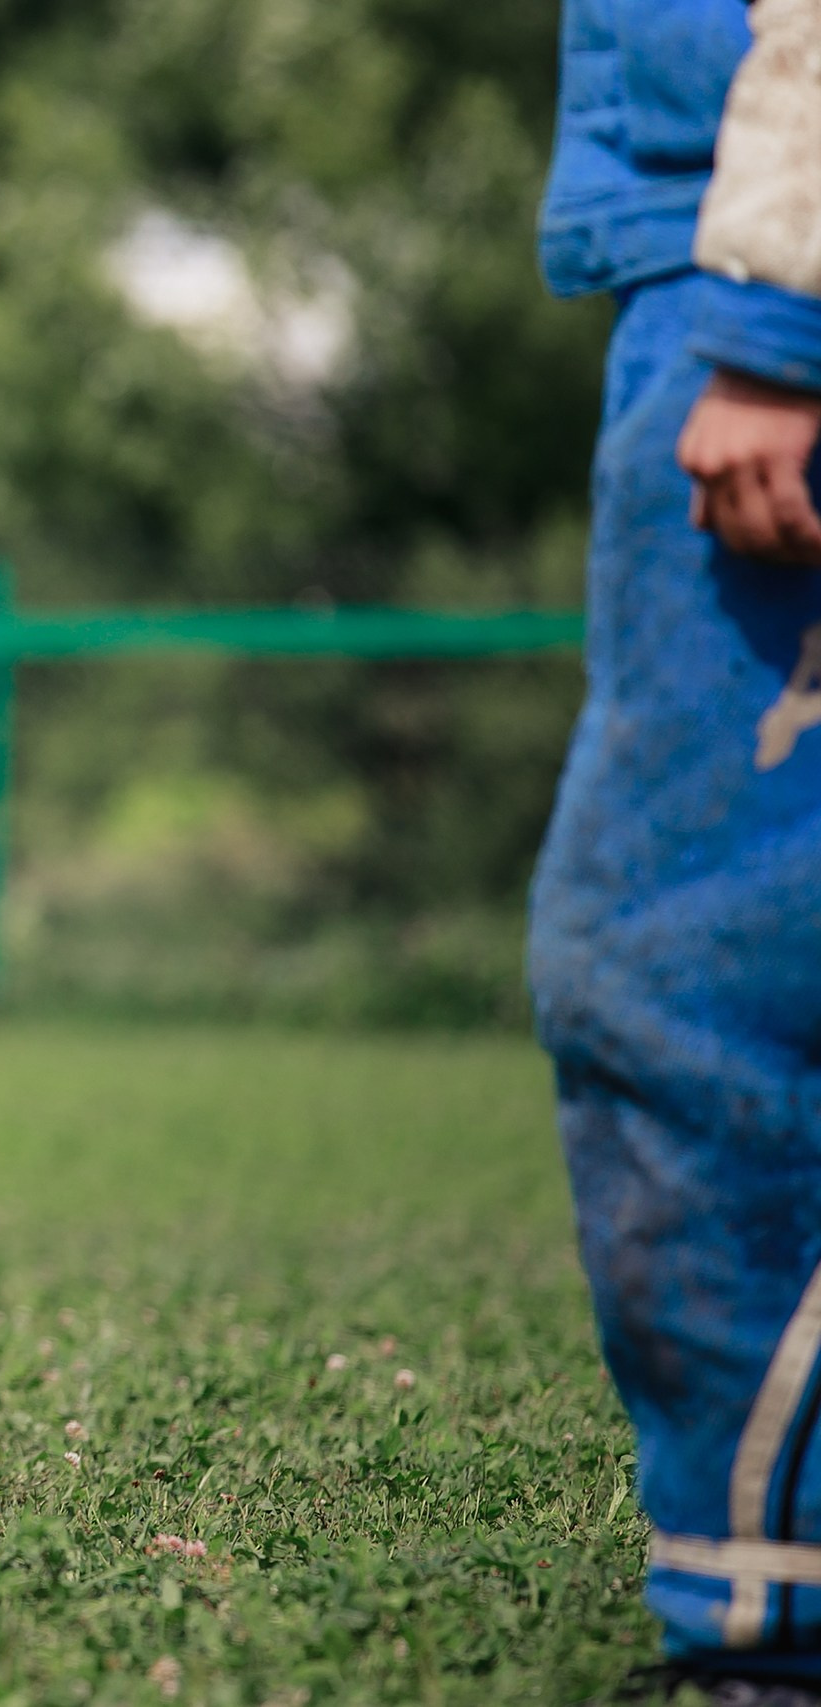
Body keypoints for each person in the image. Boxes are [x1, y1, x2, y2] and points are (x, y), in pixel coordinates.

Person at [530, 0, 821, 1694]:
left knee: (686, 973)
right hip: (707, 254)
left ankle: (770, 1629)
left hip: (760, 272)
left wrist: (782, 302)